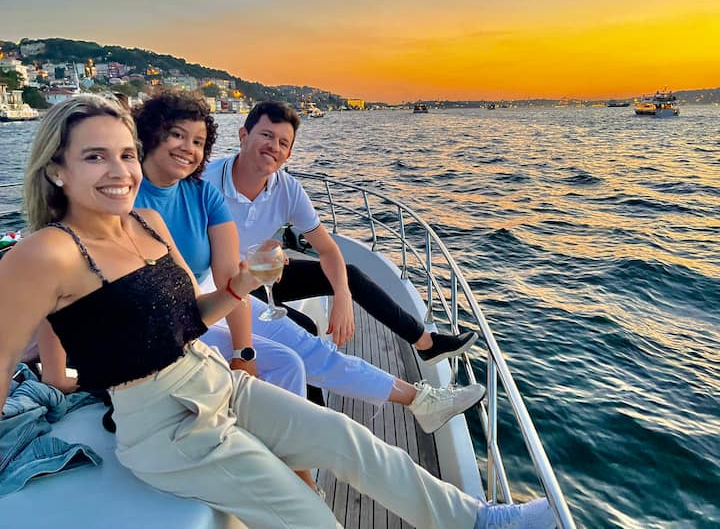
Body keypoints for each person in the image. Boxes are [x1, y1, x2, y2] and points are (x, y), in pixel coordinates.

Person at [0, 95, 555, 528]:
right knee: (309, 518)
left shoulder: (148, 224)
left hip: (214, 378)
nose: (119, 170)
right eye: (94, 156)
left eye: (125, 154)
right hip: (162, 425)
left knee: (352, 441)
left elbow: (192, 317)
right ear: (57, 169)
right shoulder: (46, 252)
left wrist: (243, 283)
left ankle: (480, 520)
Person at [203, 100, 478, 364]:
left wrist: (342, 296)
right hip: (217, 284)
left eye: (283, 143)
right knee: (305, 329)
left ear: (288, 155)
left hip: (258, 273)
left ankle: (426, 344)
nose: (274, 147)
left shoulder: (288, 189)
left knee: (350, 275)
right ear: (243, 136)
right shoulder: (204, 182)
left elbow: (327, 250)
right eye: (266, 135)